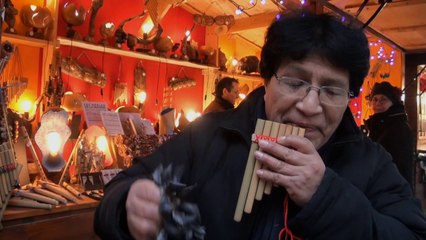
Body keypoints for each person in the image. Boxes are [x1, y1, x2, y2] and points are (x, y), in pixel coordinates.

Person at [94, 12, 426, 240]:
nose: (310, 106)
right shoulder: (209, 135)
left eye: (331, 89)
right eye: (295, 82)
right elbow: (116, 195)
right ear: (266, 80)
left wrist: (325, 195)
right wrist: (127, 205)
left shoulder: (371, 161)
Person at [364, 81, 414, 186]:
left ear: (393, 102)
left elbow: (401, 167)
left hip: (392, 189)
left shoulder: (399, 128)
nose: (378, 103)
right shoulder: (377, 124)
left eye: (383, 99)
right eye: (375, 99)